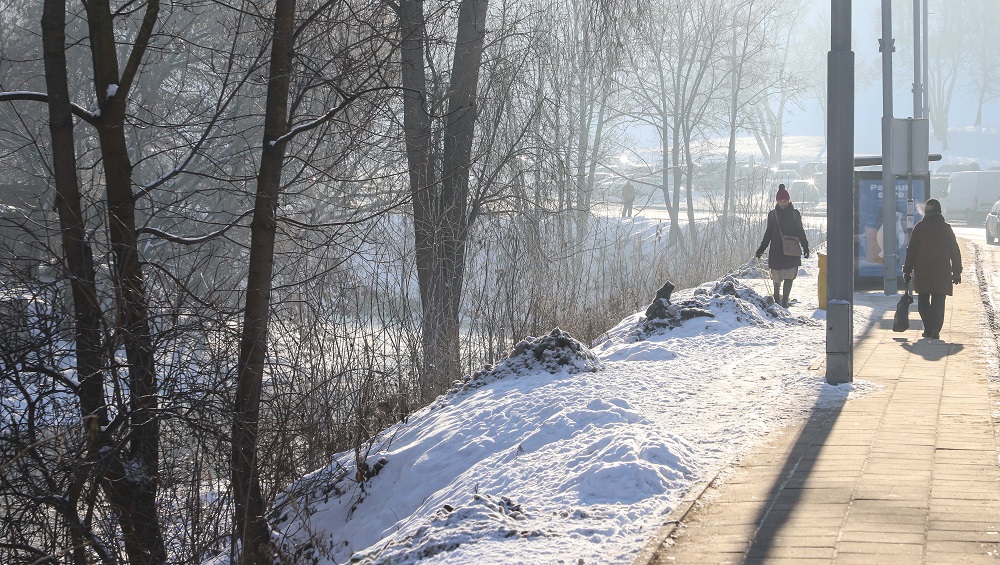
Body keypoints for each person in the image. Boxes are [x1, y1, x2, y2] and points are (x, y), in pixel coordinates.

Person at [902, 198, 962, 340]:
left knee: (923, 300)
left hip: (923, 270)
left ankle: (928, 327)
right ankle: (935, 328)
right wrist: (957, 271)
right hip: (942, 270)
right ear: (939, 211)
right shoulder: (945, 228)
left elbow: (912, 250)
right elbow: (954, 250)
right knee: (939, 301)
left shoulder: (920, 227)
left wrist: (907, 270)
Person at [755, 184, 809, 307]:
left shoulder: (795, 214)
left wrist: (805, 246)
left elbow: (800, 231)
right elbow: (768, 233)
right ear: (777, 201)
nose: (783, 203)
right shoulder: (772, 215)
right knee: (776, 277)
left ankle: (784, 302)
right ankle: (776, 300)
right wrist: (761, 249)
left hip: (791, 251)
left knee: (789, 276)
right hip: (776, 251)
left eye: (785, 201)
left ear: (789, 200)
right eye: (780, 201)